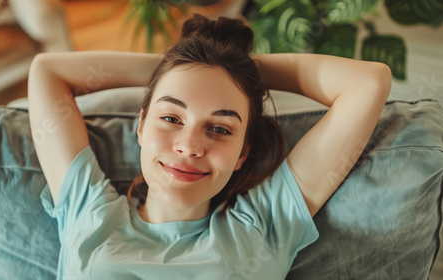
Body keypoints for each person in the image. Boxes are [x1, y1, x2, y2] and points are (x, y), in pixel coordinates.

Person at [28, 13, 391, 279]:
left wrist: (241, 71)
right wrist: (178, 65)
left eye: (218, 128)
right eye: (171, 118)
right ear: (141, 127)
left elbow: (369, 83)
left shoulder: (264, 226)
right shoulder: (88, 213)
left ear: (242, 154)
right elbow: (47, 71)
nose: (189, 146)